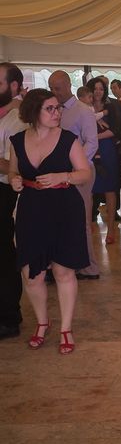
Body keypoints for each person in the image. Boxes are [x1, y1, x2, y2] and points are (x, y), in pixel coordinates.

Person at [8, 89, 90, 354]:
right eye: (50, 109)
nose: (57, 113)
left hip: (64, 208)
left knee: (63, 271)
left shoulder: (68, 139)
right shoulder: (18, 140)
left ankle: (66, 327)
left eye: (58, 108)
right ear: (34, 113)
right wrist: (15, 180)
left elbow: (85, 173)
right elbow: (12, 170)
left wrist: (63, 176)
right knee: (31, 274)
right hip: (32, 209)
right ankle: (42, 322)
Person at [48, 70, 100, 280]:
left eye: (57, 88)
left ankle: (89, 267)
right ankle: (64, 263)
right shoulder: (52, 110)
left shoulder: (83, 111)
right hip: (58, 174)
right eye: (51, 88)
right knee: (60, 220)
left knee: (82, 219)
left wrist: (75, 167)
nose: (54, 92)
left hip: (80, 172)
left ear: (68, 86)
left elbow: (92, 142)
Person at [0, 62, 27, 340]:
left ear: (14, 86)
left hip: (5, 192)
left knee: (4, 256)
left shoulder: (18, 121)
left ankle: (9, 316)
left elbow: (16, 167)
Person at [87, 77, 119, 245]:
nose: (98, 91)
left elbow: (115, 130)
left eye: (101, 88)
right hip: (89, 151)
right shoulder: (85, 107)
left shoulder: (111, 108)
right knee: (89, 189)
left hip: (107, 149)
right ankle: (88, 224)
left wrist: (95, 137)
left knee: (109, 188)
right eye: (95, 88)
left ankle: (111, 227)